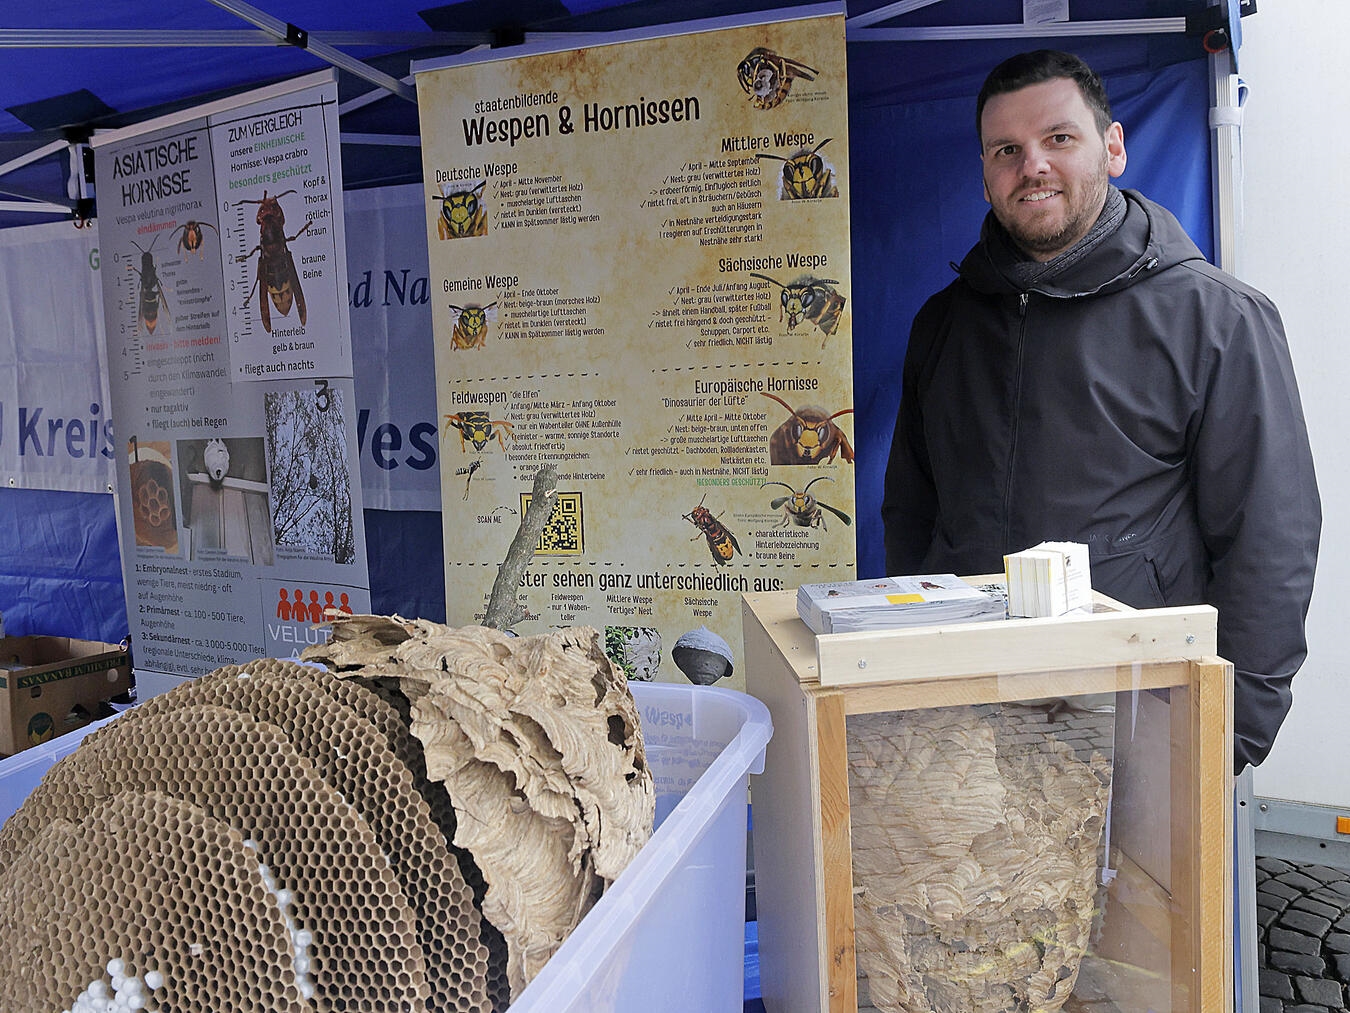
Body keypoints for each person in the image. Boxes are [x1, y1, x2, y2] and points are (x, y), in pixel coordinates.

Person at [881, 49, 1320, 774]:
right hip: (965, 727)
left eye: (1059, 138)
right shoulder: (943, 327)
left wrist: (1226, 733)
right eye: (1006, 150)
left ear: (1112, 149)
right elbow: (912, 515)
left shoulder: (1216, 319)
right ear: (985, 174)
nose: (1034, 167)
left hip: (1140, 729)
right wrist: (918, 682)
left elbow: (1269, 537)